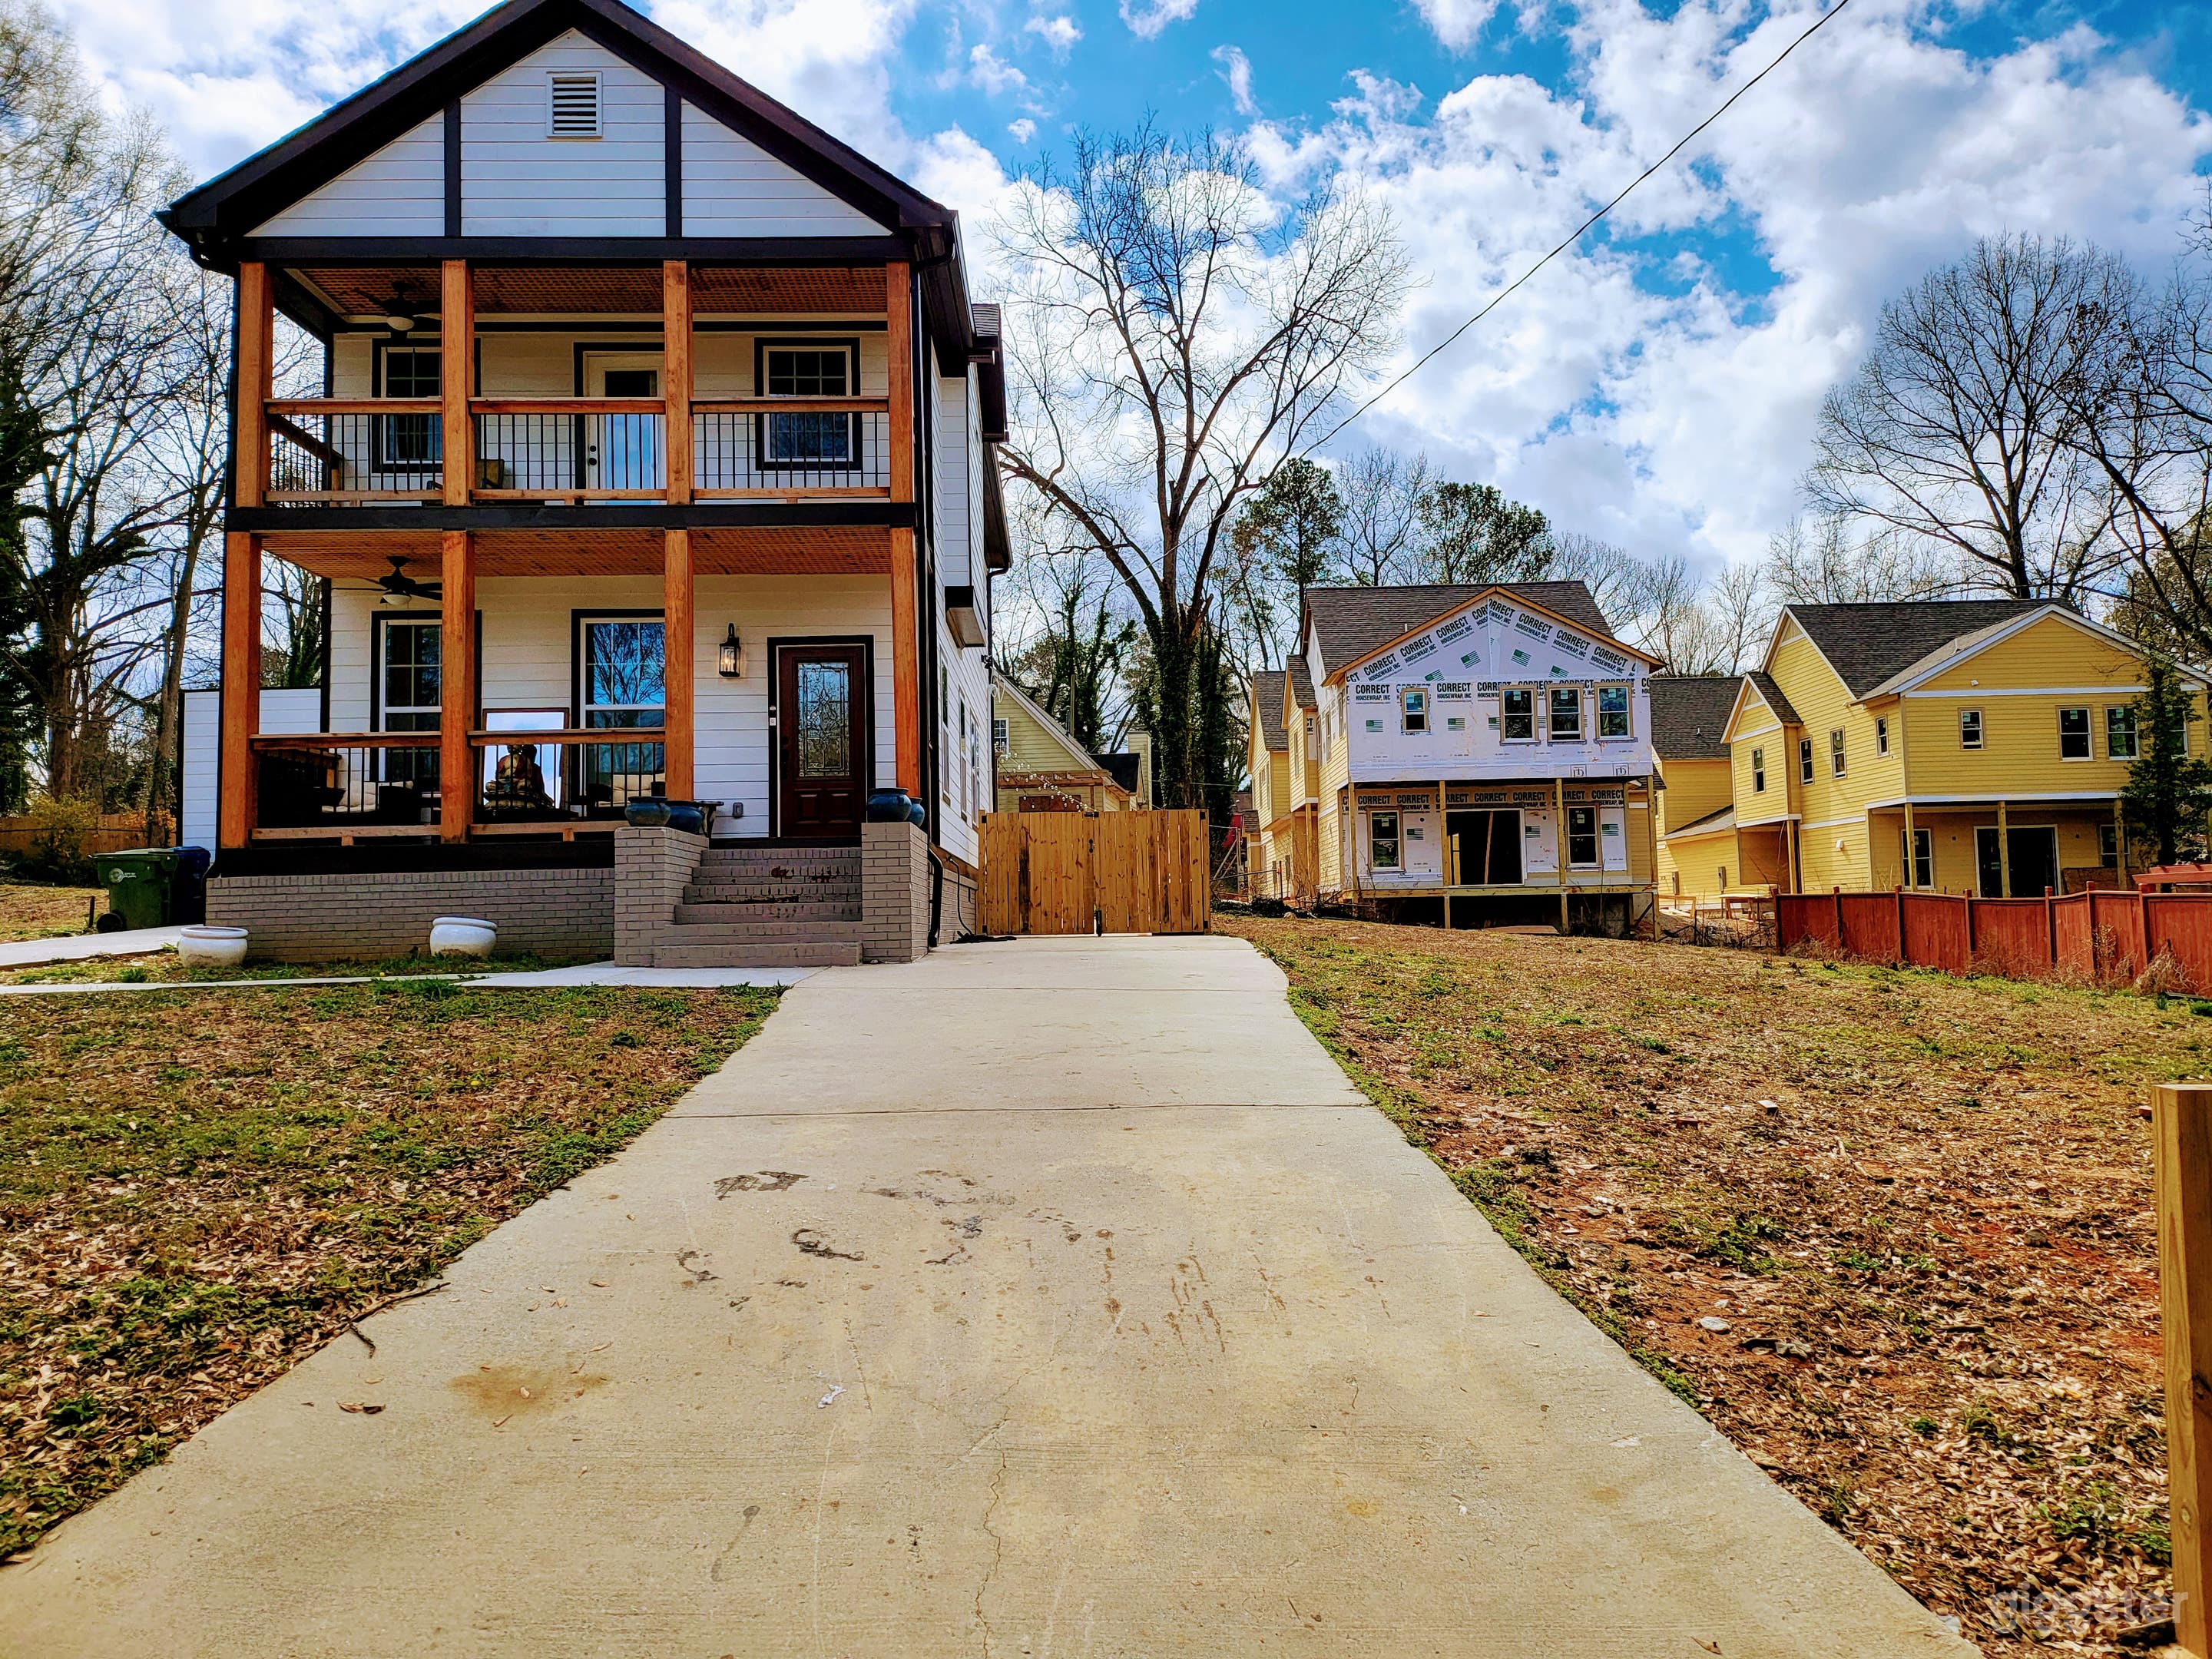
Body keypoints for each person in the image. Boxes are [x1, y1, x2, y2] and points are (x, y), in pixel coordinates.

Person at [488, 742, 552, 813]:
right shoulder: (503, 760)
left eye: (514, 744)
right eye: (509, 745)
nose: (510, 746)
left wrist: (517, 780)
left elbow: (528, 775)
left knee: (525, 784)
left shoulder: (525, 760)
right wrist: (502, 780)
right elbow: (499, 775)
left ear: (519, 747)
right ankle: (507, 790)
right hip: (505, 783)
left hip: (518, 783)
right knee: (489, 785)